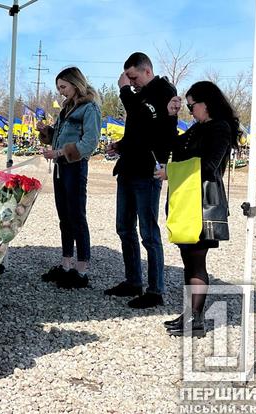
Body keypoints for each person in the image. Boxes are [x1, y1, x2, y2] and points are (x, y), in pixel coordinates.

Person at [155, 81, 240, 336]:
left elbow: (209, 165)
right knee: (188, 262)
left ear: (207, 103)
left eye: (192, 106)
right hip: (189, 202)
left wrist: (170, 172)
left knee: (196, 262)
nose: (190, 110)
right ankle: (191, 315)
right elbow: (174, 146)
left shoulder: (220, 128)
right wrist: (171, 117)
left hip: (203, 204)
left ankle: (196, 321)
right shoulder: (198, 128)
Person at [105, 52, 177, 308]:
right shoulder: (141, 96)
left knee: (148, 232)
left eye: (134, 77)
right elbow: (140, 131)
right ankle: (133, 281)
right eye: (129, 79)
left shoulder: (164, 91)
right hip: (128, 169)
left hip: (148, 172)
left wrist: (125, 92)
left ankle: (155, 290)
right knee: (124, 228)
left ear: (147, 71)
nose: (131, 82)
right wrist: (120, 145)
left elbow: (152, 123)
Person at [37, 67, 101, 289]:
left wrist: (60, 152)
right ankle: (65, 265)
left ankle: (81, 271)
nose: (61, 92)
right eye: (58, 88)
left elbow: (90, 142)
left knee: (77, 217)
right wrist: (47, 132)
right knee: (64, 217)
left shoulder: (89, 108)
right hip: (60, 168)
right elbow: (59, 137)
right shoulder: (66, 109)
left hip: (75, 168)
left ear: (76, 84)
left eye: (63, 87)